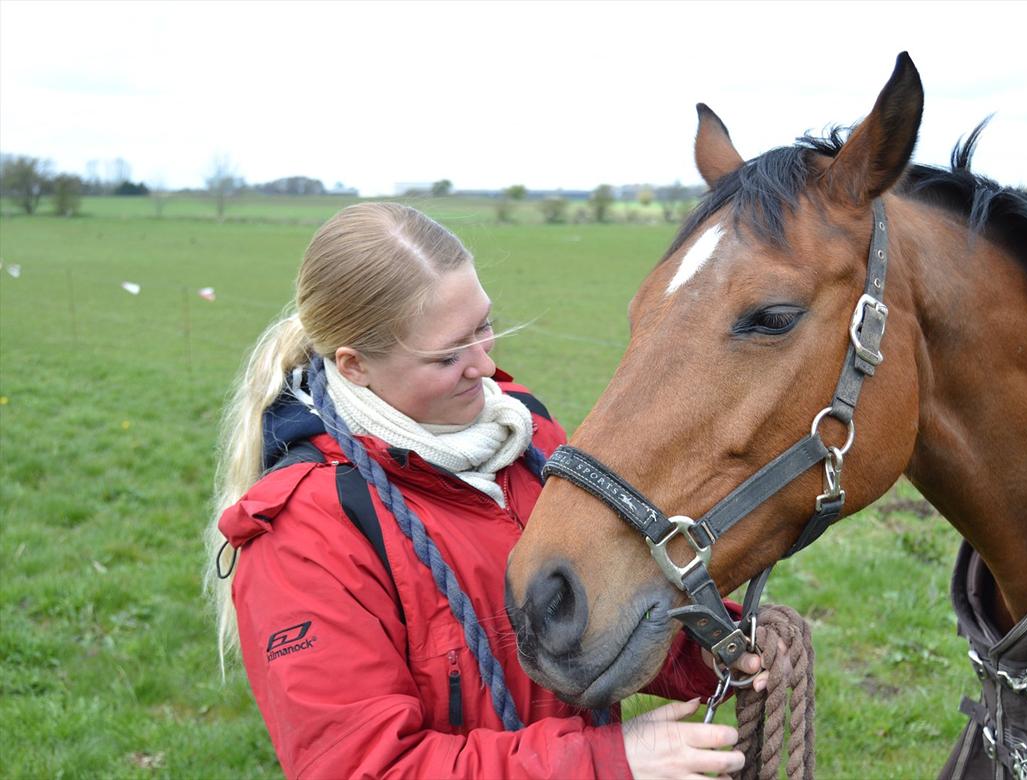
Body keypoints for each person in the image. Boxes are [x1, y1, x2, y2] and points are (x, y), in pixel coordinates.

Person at [205, 202, 764, 779]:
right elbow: (362, 767)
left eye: (482, 326)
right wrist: (604, 763)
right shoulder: (306, 533)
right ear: (354, 366)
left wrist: (704, 642)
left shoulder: (524, 432)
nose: (485, 363)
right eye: (448, 355)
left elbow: (577, 611)